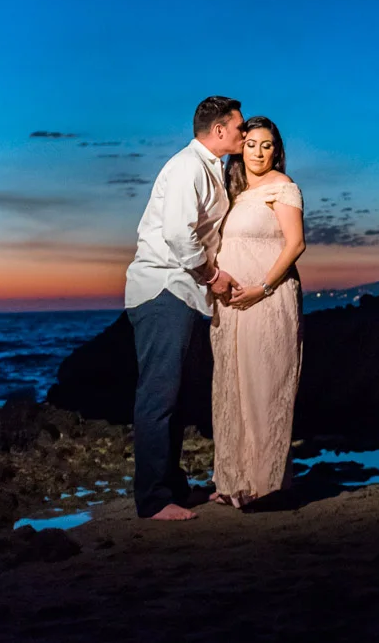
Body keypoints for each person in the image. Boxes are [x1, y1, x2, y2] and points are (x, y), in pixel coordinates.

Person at [124, 95, 244, 521]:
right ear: (218, 130)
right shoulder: (187, 167)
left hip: (184, 293)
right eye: (238, 126)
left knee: (175, 394)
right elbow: (178, 233)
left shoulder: (209, 167)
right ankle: (153, 500)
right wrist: (213, 276)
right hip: (163, 289)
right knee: (158, 394)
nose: (243, 133)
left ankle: (172, 487)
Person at [209, 115, 306, 507]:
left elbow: (296, 244)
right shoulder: (233, 192)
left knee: (265, 384)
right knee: (232, 385)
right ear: (241, 148)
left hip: (268, 298)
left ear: (277, 150)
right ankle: (234, 480)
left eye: (267, 145)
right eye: (251, 144)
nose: (258, 152)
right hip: (233, 304)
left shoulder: (283, 188)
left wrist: (262, 288)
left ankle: (265, 484)